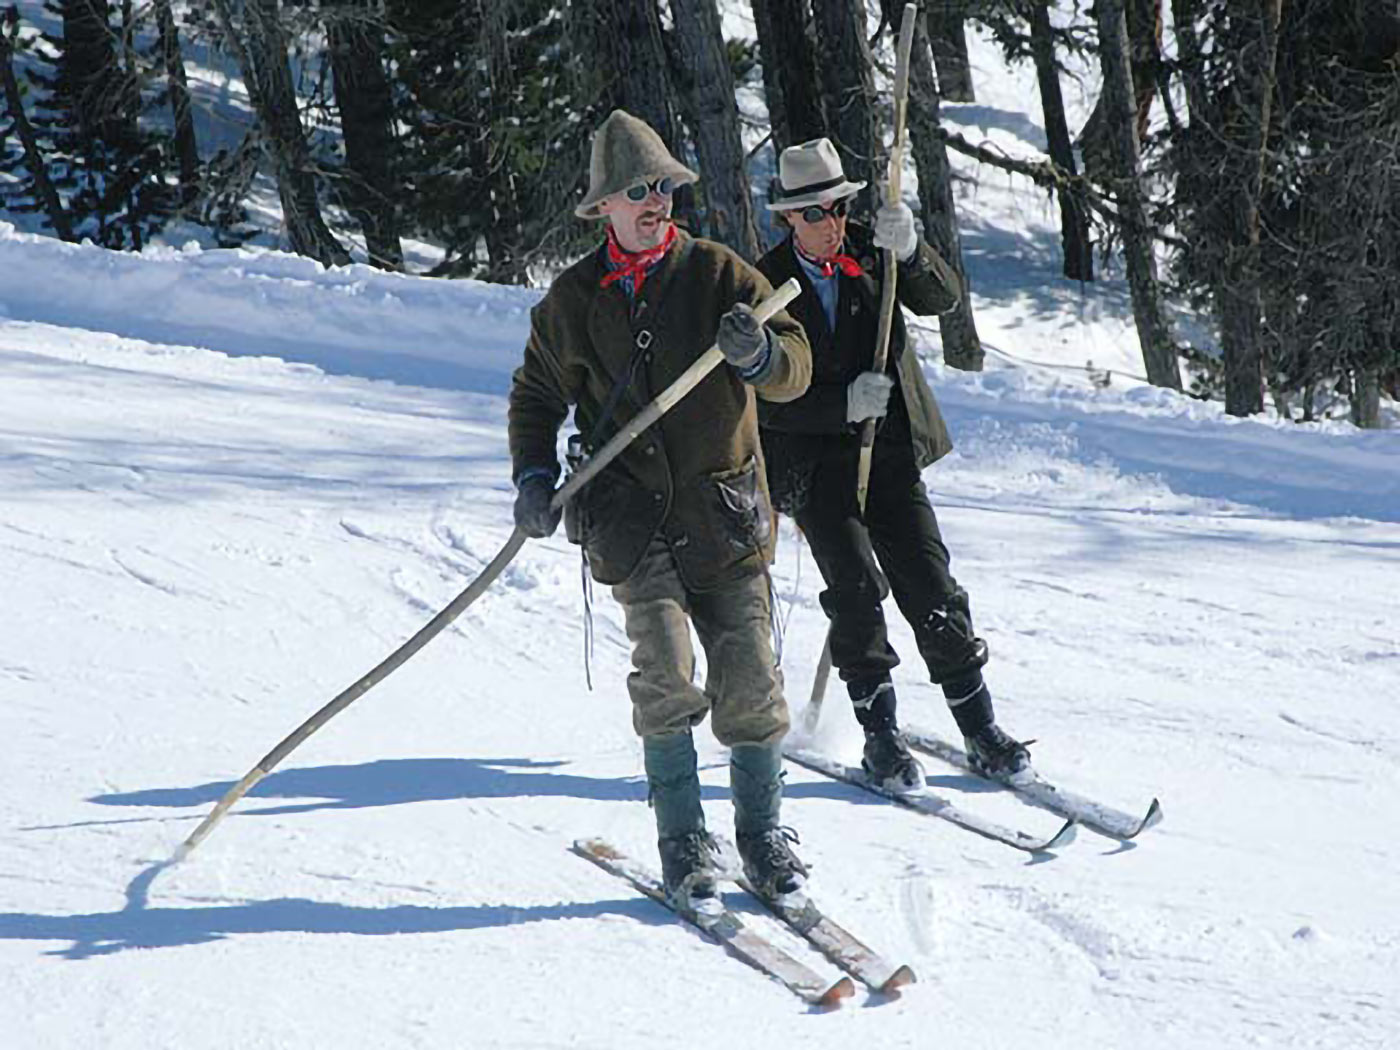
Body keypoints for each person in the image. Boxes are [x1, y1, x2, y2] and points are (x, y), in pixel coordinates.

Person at [508, 110, 814, 907]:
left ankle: (763, 837)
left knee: (750, 680)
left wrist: (765, 355)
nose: (658, 201)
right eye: (640, 190)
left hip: (726, 517)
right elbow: (535, 397)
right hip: (630, 525)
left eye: (667, 187)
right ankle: (683, 841)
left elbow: (797, 367)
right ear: (603, 207)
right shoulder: (572, 303)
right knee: (667, 675)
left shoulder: (719, 274)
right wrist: (534, 476)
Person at [755, 137, 1031, 791]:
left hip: (891, 451)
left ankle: (980, 727)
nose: (833, 223)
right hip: (815, 465)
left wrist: (911, 250)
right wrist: (838, 407)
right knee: (855, 591)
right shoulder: (761, 286)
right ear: (789, 218)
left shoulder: (874, 256)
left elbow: (942, 299)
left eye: (839, 207)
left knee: (930, 583)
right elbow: (762, 402)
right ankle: (880, 739)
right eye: (816, 212)